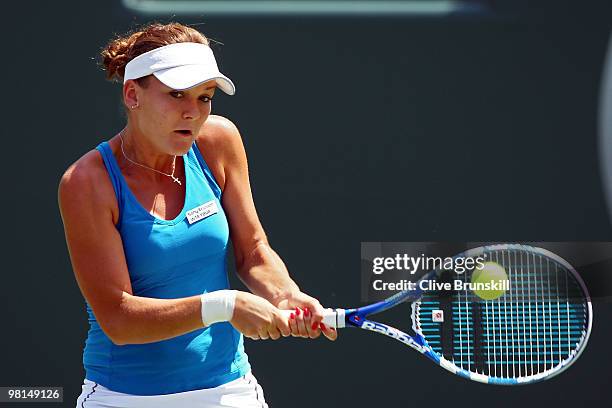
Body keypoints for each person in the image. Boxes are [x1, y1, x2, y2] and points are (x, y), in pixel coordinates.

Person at [58, 22, 336, 408]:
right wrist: (226, 306)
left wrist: (286, 295)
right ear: (132, 94)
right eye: (176, 95)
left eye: (205, 97)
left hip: (228, 389)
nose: (193, 112)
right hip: (123, 397)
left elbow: (253, 250)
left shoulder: (218, 142)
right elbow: (118, 319)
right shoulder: (86, 182)